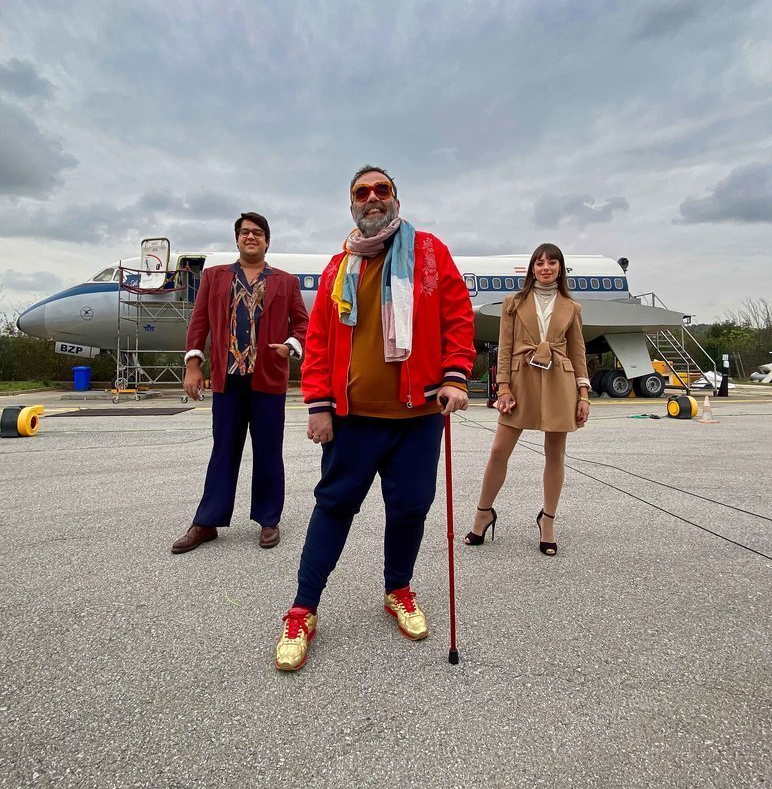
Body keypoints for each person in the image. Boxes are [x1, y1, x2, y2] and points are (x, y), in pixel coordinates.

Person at [273, 165, 475, 672]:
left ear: (396, 199)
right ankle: (303, 610)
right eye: (362, 192)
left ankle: (398, 589)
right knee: (334, 506)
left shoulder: (428, 251)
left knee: (410, 508)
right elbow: (318, 340)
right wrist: (317, 403)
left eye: (381, 190)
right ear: (351, 205)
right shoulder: (338, 267)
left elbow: (457, 315)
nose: (372, 198)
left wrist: (455, 376)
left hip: (418, 412)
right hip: (352, 417)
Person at [172, 212, 309, 553]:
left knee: (268, 452)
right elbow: (199, 323)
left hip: (268, 380)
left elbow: (303, 326)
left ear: (267, 241)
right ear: (237, 239)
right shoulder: (214, 277)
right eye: (245, 232)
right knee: (223, 451)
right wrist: (193, 366)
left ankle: (268, 519)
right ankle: (206, 522)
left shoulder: (285, 281)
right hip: (227, 380)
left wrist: (290, 347)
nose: (251, 237)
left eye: (258, 233)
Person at [464, 243, 590, 555]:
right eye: (539, 263)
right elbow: (504, 348)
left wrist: (583, 394)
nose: (545, 268)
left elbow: (578, 352)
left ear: (560, 268)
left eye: (552, 262)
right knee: (498, 451)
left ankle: (548, 520)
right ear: (532, 268)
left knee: (555, 455)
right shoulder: (513, 303)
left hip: (561, 381)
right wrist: (502, 388)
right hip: (521, 380)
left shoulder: (571, 308)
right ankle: (483, 513)